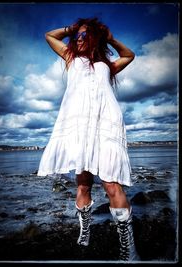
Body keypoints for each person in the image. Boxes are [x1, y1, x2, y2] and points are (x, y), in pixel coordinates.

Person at [37, 17, 139, 261]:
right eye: (77, 36)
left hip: (106, 123)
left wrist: (111, 39)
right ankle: (86, 229)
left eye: (85, 35)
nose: (80, 39)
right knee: (83, 182)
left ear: (95, 39)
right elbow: (49, 36)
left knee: (112, 183)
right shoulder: (71, 57)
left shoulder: (107, 65)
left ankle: (128, 245)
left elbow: (129, 55)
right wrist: (72, 29)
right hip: (79, 125)